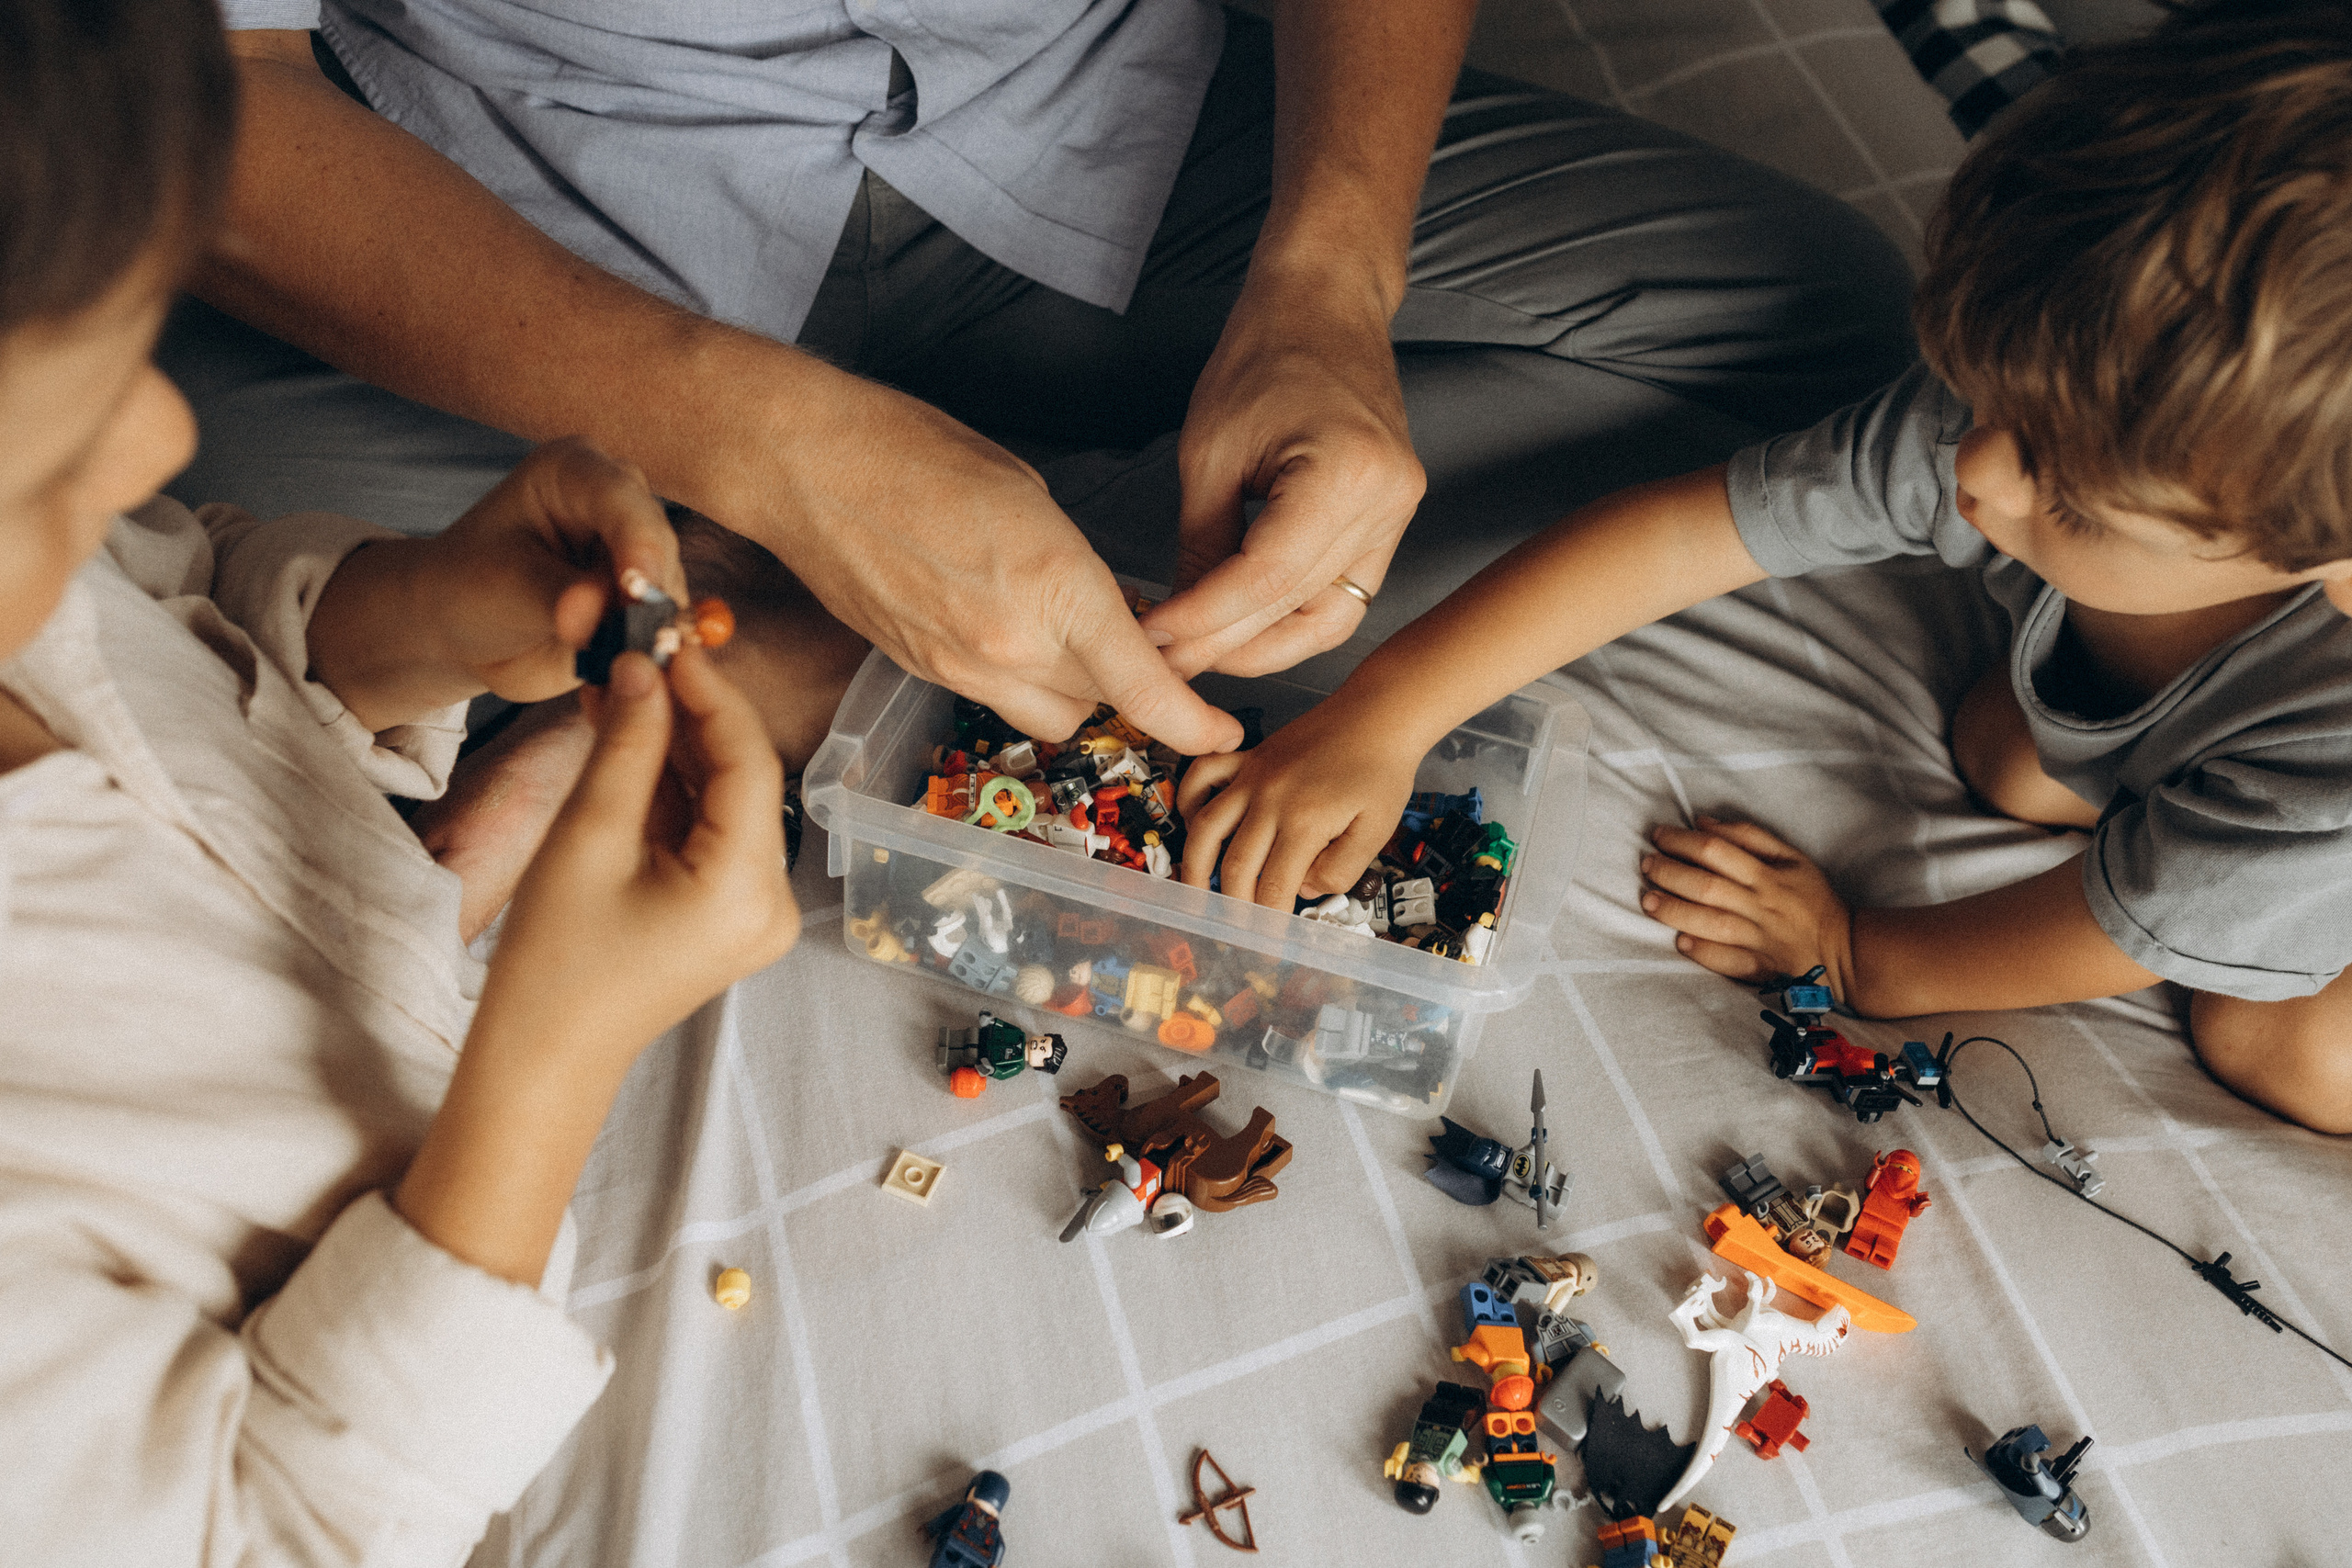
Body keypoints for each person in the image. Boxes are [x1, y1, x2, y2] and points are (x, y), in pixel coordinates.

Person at [168, 0, 1916, 771]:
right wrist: (779, 452)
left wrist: (1330, 282)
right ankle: (863, 607)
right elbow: (210, 98)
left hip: (1109, 114)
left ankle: (802, 632)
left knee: (1825, 327)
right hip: (529, 217)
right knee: (219, 575)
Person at [1173, 0, 2352, 1134]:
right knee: (2005, 751)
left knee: (2277, 1042)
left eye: (2072, 495)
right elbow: (1685, 533)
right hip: (2217, 720)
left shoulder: (2323, 777)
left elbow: (2119, 926)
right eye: (1987, 393)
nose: (1980, 469)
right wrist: (1386, 715)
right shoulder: (2058, 399)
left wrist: (1855, 955)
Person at [0, 4, 798, 1559]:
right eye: (51, 455)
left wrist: (419, 621)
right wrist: (550, 1059)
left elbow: (183, 596)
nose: (166, 431)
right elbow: (276, 1533)